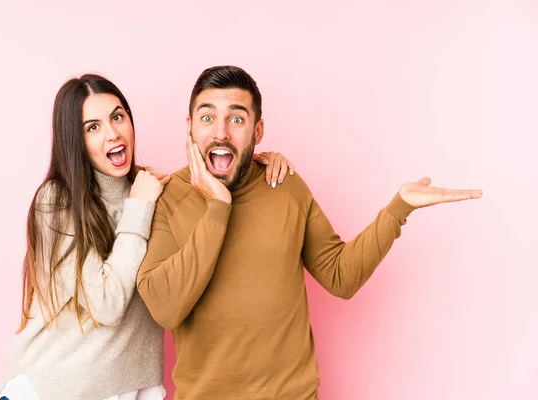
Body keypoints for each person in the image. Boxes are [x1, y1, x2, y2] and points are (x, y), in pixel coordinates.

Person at [136, 65, 483, 400]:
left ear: (257, 132)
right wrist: (217, 206)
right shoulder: (169, 198)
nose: (221, 132)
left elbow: (340, 276)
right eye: (207, 117)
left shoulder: (284, 186)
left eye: (237, 119)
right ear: (190, 126)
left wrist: (398, 208)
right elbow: (166, 309)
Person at [0, 73, 295, 400]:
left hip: (132, 389)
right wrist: (137, 206)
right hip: (53, 388)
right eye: (92, 127)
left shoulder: (153, 189)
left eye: (117, 117)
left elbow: (201, 234)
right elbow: (107, 303)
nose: (112, 134)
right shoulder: (57, 200)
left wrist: (255, 163)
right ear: (75, 140)